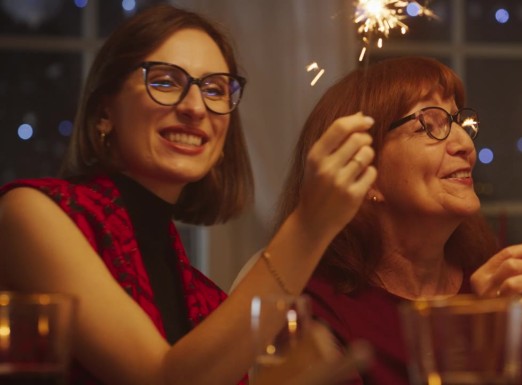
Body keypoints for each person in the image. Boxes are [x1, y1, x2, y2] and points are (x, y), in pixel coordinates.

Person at [0, 5, 376, 385]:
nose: (195, 108)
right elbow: (160, 379)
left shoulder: (206, 301)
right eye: (164, 81)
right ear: (104, 112)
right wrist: (309, 226)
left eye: (214, 89)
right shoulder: (31, 213)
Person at [276, 56, 522, 385]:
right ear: (363, 173)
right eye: (430, 125)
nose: (464, 145)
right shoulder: (317, 313)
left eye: (459, 122)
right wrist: (477, 347)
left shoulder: (504, 289)